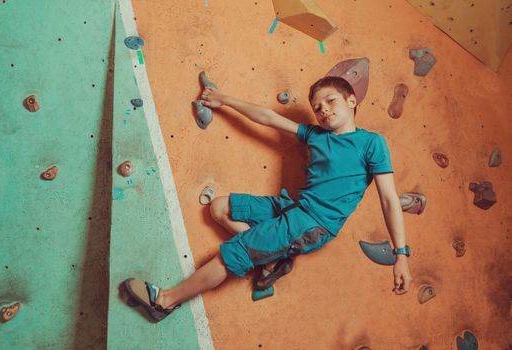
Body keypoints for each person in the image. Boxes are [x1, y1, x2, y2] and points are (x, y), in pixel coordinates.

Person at [124, 75, 413, 322]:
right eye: (317, 107)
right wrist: (223, 99)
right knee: (220, 207)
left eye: (331, 101)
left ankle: (164, 301)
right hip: (293, 206)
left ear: (351, 101)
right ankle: (273, 258)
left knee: (234, 252)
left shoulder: (372, 143)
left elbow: (388, 200)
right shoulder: (314, 134)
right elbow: (269, 117)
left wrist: (401, 255)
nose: (323, 110)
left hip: (313, 222)